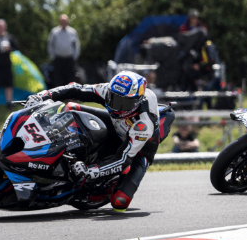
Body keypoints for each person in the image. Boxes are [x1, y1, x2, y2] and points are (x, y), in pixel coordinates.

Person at [25, 71, 159, 212]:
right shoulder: (107, 89)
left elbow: (123, 159)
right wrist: (42, 96)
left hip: (138, 151)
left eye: (124, 103)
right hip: (115, 126)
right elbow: (77, 89)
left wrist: (91, 171)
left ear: (137, 102)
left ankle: (109, 185)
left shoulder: (143, 124)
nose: (117, 106)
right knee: (70, 108)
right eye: (113, 98)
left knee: (120, 202)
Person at [47, 14, 81, 87]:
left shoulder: (72, 32)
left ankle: (70, 97)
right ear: (59, 22)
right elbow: (50, 45)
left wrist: (75, 57)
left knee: (70, 79)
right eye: (62, 21)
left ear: (67, 22)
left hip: (69, 59)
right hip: (58, 59)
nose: (64, 23)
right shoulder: (54, 32)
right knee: (58, 79)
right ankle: (59, 97)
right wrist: (52, 57)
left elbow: (76, 45)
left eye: (65, 21)